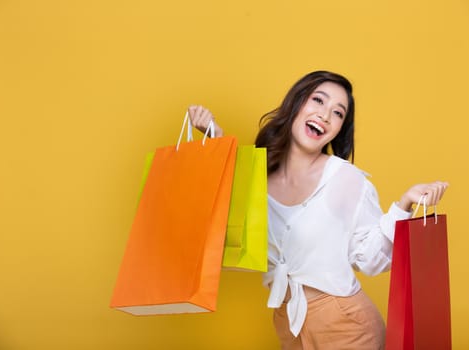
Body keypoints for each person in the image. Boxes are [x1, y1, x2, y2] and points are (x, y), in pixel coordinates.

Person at [188, 70, 448, 349]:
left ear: (339, 128)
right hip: (288, 323)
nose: (325, 115)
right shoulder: (255, 177)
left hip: (347, 327)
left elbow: (371, 261)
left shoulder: (345, 179)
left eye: (338, 113)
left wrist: (403, 205)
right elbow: (228, 229)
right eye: (318, 101)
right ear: (296, 104)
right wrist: (215, 138)